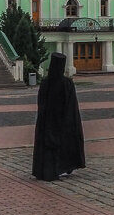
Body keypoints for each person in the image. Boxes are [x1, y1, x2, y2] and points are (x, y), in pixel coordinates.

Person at [32, 52, 86, 181]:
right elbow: (71, 104)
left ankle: (44, 169)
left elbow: (41, 103)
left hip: (47, 120)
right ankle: (63, 167)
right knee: (64, 143)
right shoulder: (66, 83)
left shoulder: (46, 83)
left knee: (48, 144)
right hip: (63, 119)